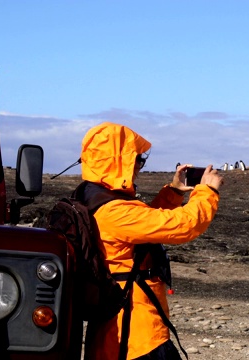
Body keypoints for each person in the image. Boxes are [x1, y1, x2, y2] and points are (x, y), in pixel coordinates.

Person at [79, 122, 223, 359]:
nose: (138, 167)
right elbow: (183, 226)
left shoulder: (93, 198)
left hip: (110, 332)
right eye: (137, 160)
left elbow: (143, 227)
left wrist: (174, 192)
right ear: (118, 160)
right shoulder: (114, 211)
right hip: (136, 332)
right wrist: (207, 192)